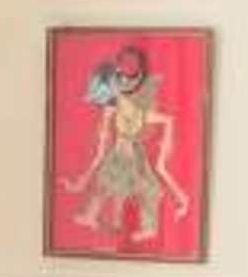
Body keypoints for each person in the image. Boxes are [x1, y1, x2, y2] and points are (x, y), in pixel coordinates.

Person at [59, 43, 189, 249]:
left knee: (140, 188)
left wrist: (166, 145)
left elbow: (156, 119)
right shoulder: (117, 105)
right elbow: (108, 125)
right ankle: (93, 216)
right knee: (106, 184)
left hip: (129, 151)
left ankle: (146, 226)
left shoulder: (129, 107)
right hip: (120, 150)